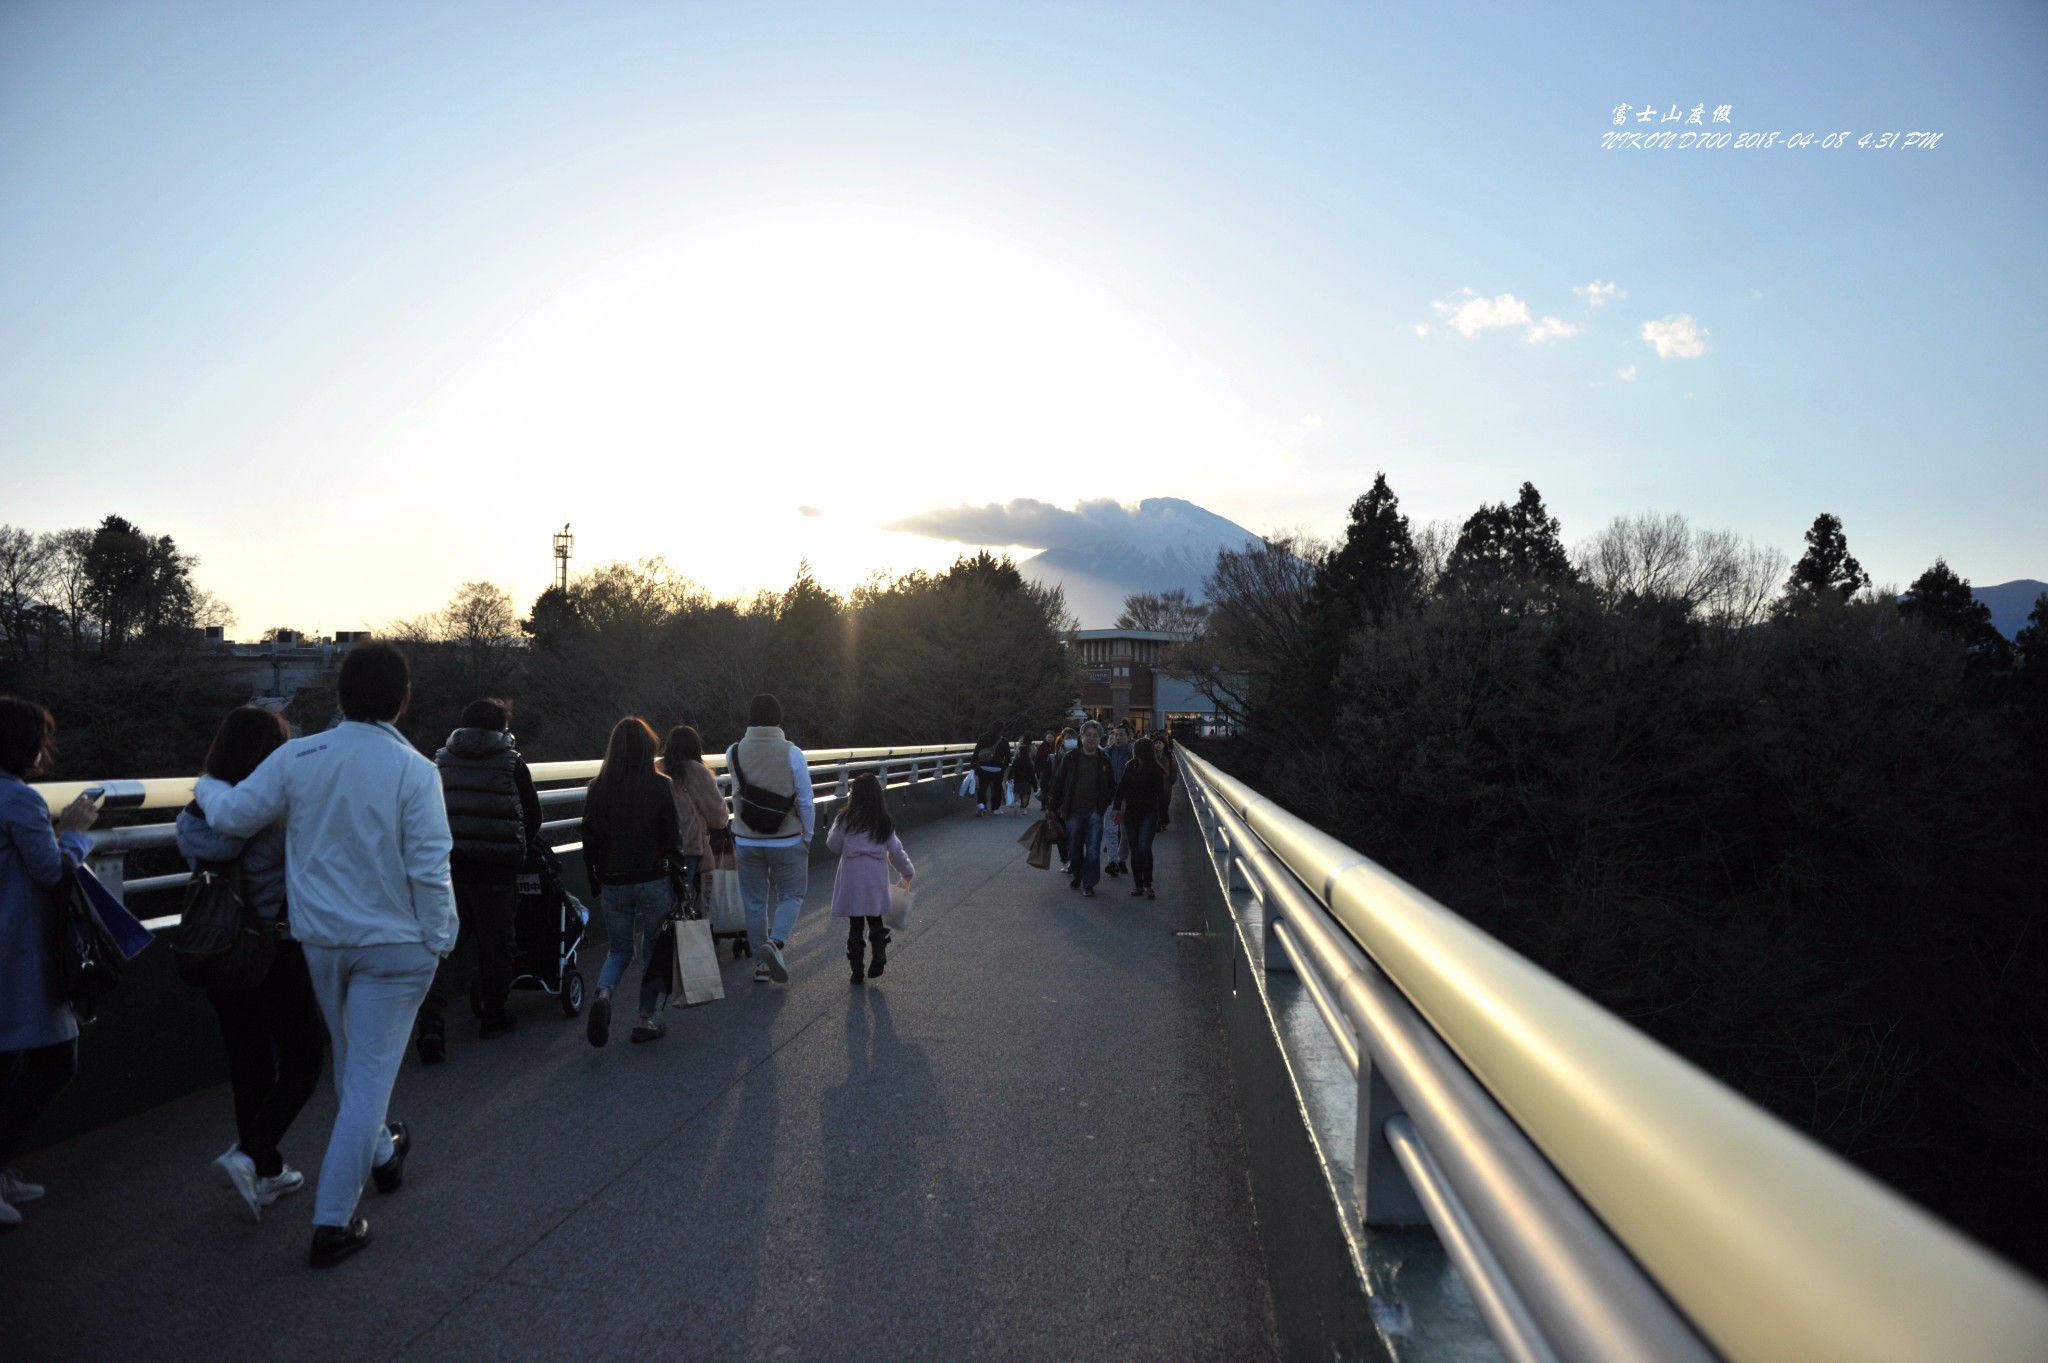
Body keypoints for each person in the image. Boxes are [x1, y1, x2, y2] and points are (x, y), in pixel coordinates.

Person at [193, 642, 456, 1268]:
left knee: (354, 1067)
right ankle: (333, 1223)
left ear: (338, 697)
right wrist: (438, 940)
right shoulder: (416, 771)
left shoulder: (298, 757)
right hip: (395, 946)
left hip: (321, 942)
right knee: (365, 1077)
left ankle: (385, 1157)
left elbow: (229, 816)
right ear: (404, 699)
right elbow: (429, 869)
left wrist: (202, 781)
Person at [178, 706, 323, 1223]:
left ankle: (266, 1171)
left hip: (218, 944)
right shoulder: (277, 807)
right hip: (274, 947)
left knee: (248, 1059)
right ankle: (248, 1155)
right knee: (304, 1060)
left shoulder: (199, 809)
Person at [0, 697, 98, 1228]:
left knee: (6, 1064)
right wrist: (78, 830)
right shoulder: (18, 799)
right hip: (17, 953)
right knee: (57, 1059)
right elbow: (52, 871)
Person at [415, 698, 542, 1063]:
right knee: (496, 945)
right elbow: (531, 817)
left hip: (449, 868)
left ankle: (432, 1022)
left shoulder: (440, 761)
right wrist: (515, 849)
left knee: (441, 945)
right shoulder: (511, 764)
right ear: (502, 728)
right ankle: (493, 1016)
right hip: (496, 871)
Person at [581, 716, 686, 1047]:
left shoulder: (598, 788)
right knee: (654, 948)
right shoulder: (659, 785)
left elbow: (589, 841)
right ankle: (645, 1017)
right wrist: (680, 878)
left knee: (620, 949)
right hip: (653, 877)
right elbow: (672, 837)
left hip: (613, 880)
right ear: (647, 749)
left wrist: (597, 879)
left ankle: (604, 994)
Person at [726, 693, 816, 986]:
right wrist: (808, 836)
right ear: (778, 719)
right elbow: (805, 801)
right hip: (787, 838)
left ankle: (762, 966)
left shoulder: (733, 751)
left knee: (754, 903)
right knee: (791, 895)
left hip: (747, 839)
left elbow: (737, 794)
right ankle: (775, 944)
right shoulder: (793, 753)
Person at [826, 773, 915, 986]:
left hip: (852, 876)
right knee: (874, 918)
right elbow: (895, 851)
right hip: (876, 875)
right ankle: (879, 952)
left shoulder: (845, 819)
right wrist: (907, 871)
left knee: (855, 924)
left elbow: (832, 844)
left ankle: (857, 972)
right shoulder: (883, 821)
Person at [658, 724, 730, 910]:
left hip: (656, 846)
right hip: (688, 845)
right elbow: (719, 818)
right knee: (684, 900)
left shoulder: (656, 769)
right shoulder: (697, 771)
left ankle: (662, 937)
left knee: (662, 903)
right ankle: (686, 937)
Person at [1046, 720, 1115, 898]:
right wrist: (1052, 805)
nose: (1092, 739)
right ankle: (1078, 875)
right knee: (1075, 849)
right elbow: (1058, 782)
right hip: (1073, 810)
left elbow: (1111, 785)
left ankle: (1089, 883)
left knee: (1092, 849)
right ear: (1081, 737)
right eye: (1088, 735)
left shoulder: (1103, 759)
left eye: (1096, 736)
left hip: (1094, 810)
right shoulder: (1071, 758)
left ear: (1100, 738)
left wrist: (1104, 803)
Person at [1113, 736, 1168, 900]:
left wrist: (1163, 814)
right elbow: (1121, 788)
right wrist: (1116, 807)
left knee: (1143, 848)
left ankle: (1148, 884)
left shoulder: (1154, 770)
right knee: (1136, 849)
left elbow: (1160, 793)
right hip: (1131, 813)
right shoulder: (1131, 766)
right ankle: (1139, 884)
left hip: (1148, 813)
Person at [1102, 725, 1133, 877]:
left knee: (1125, 832)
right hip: (1112, 797)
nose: (1118, 738)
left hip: (1128, 797)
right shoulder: (1106, 752)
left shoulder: (1133, 752)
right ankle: (1112, 861)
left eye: (1121, 735)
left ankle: (1122, 858)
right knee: (1111, 830)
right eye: (1116, 735)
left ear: (1128, 736)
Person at [971, 725, 1010, 818]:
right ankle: (995, 809)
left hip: (983, 767)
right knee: (997, 789)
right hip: (997, 768)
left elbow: (976, 752)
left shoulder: (983, 737)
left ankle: (981, 806)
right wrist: (1003, 767)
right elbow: (1008, 758)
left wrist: (973, 766)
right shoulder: (1003, 741)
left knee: (982, 787)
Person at [1008, 735, 1037, 816]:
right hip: (1026, 781)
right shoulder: (1029, 763)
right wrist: (1035, 787)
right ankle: (1024, 809)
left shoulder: (1016, 761)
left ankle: (1016, 803)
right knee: (1025, 795)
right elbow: (1032, 775)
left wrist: (1009, 777)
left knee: (1016, 794)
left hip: (1017, 780)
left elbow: (1011, 770)